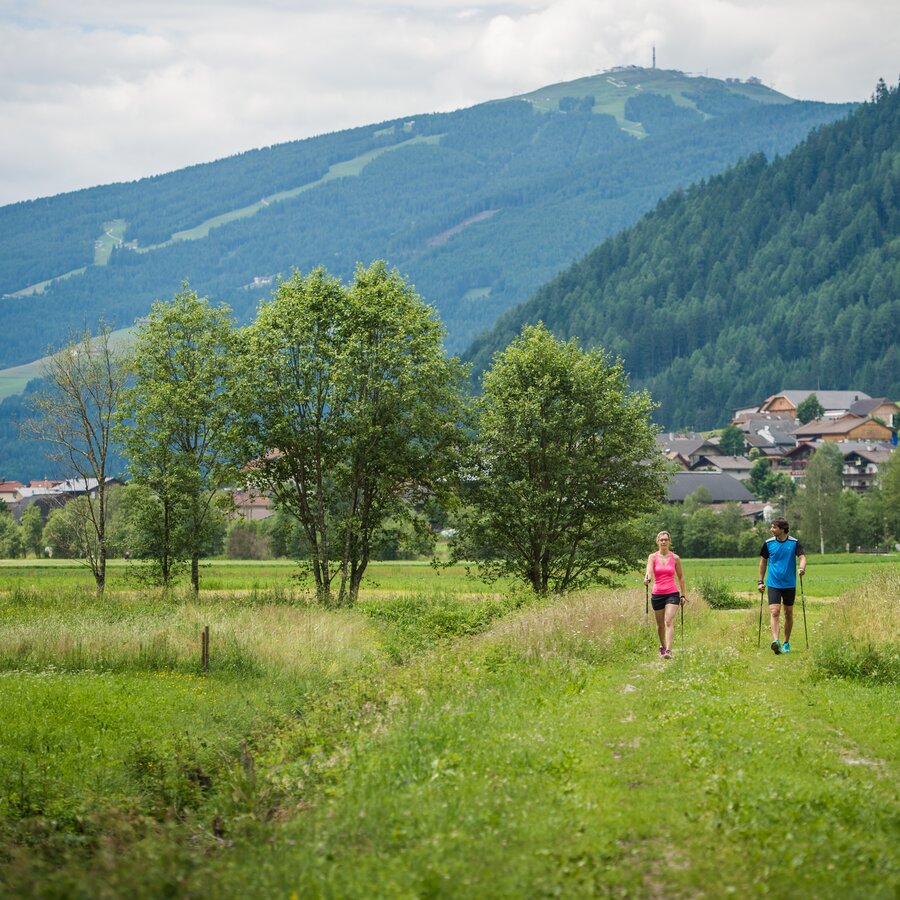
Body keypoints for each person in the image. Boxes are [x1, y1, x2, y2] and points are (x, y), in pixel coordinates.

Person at [758, 517, 806, 654]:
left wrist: (802, 568)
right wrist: (760, 581)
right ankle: (776, 641)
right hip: (773, 583)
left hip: (789, 583)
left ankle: (786, 642)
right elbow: (763, 562)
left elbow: (802, 557)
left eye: (774, 527)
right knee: (774, 611)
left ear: (782, 529)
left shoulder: (794, 543)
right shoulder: (768, 544)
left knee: (788, 613)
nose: (771, 530)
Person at [644, 530, 686, 659]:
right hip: (657, 594)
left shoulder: (675, 558)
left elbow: (681, 577)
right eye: (661, 540)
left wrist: (683, 595)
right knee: (660, 625)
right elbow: (649, 571)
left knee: (669, 620)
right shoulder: (652, 557)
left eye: (665, 539)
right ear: (657, 542)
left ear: (669, 542)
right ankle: (662, 646)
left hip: (672, 593)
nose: (663, 541)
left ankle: (668, 650)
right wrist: (647, 578)